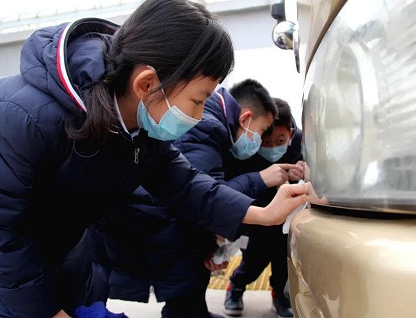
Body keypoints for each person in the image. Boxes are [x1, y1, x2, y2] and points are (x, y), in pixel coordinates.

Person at [0, 0, 309, 318]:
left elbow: (184, 184)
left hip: (63, 258)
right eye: (198, 100)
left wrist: (262, 213)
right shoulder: (24, 115)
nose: (200, 115)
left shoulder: (138, 129)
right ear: (146, 84)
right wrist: (46, 311)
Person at [85, 78, 298, 318]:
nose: (260, 141)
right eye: (260, 132)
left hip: (149, 222)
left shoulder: (216, 127)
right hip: (143, 225)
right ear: (245, 118)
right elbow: (200, 194)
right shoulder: (205, 126)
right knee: (185, 273)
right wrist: (259, 180)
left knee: (189, 281)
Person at [224, 98, 303, 318]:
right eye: (266, 142)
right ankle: (236, 287)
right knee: (252, 261)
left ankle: (279, 296)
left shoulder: (301, 142)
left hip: (287, 217)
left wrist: (304, 173)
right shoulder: (245, 149)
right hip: (256, 214)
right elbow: (234, 185)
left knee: (283, 262)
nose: (272, 147)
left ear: (291, 132)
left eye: (280, 140)